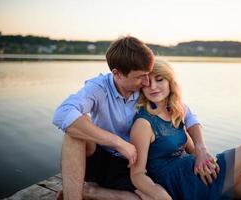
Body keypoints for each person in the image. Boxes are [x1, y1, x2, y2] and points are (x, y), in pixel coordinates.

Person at [53, 36, 199, 200]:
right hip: (100, 157)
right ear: (117, 74)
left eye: (148, 74)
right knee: (74, 132)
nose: (147, 82)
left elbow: (185, 114)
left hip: (133, 164)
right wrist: (118, 142)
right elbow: (62, 114)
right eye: (140, 77)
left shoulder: (147, 90)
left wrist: (200, 149)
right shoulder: (99, 87)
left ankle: (91, 192)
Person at [130, 59, 241, 200]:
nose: (153, 87)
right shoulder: (144, 123)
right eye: (147, 83)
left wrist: (206, 161)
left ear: (170, 82)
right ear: (141, 87)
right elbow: (137, 174)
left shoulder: (174, 112)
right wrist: (161, 196)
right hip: (181, 183)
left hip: (194, 173)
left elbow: (191, 150)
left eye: (159, 79)